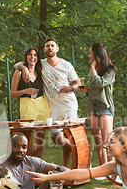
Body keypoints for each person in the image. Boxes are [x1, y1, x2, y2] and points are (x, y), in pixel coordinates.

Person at [15, 38, 80, 167]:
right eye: (47, 46)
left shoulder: (66, 65)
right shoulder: (41, 64)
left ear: (57, 49)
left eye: (52, 46)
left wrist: (70, 88)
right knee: (58, 139)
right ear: (44, 49)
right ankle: (79, 151)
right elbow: (17, 65)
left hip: (69, 107)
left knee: (67, 138)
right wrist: (24, 68)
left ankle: (66, 167)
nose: (50, 48)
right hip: (53, 108)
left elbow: (78, 83)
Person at [80, 42, 117, 165]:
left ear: (97, 55)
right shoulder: (95, 70)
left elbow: (100, 83)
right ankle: (103, 168)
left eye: (91, 53)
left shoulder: (111, 70)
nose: (89, 56)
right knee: (98, 139)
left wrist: (92, 69)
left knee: (108, 140)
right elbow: (96, 88)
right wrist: (88, 90)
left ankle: (113, 171)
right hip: (92, 107)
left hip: (104, 108)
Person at [11, 47, 50, 158]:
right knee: (26, 139)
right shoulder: (19, 72)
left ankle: (38, 165)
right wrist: (25, 91)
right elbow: (12, 93)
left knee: (40, 139)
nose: (32, 57)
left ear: (37, 58)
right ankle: (29, 162)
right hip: (27, 105)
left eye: (35, 55)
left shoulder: (40, 71)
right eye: (30, 54)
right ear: (26, 57)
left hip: (41, 105)